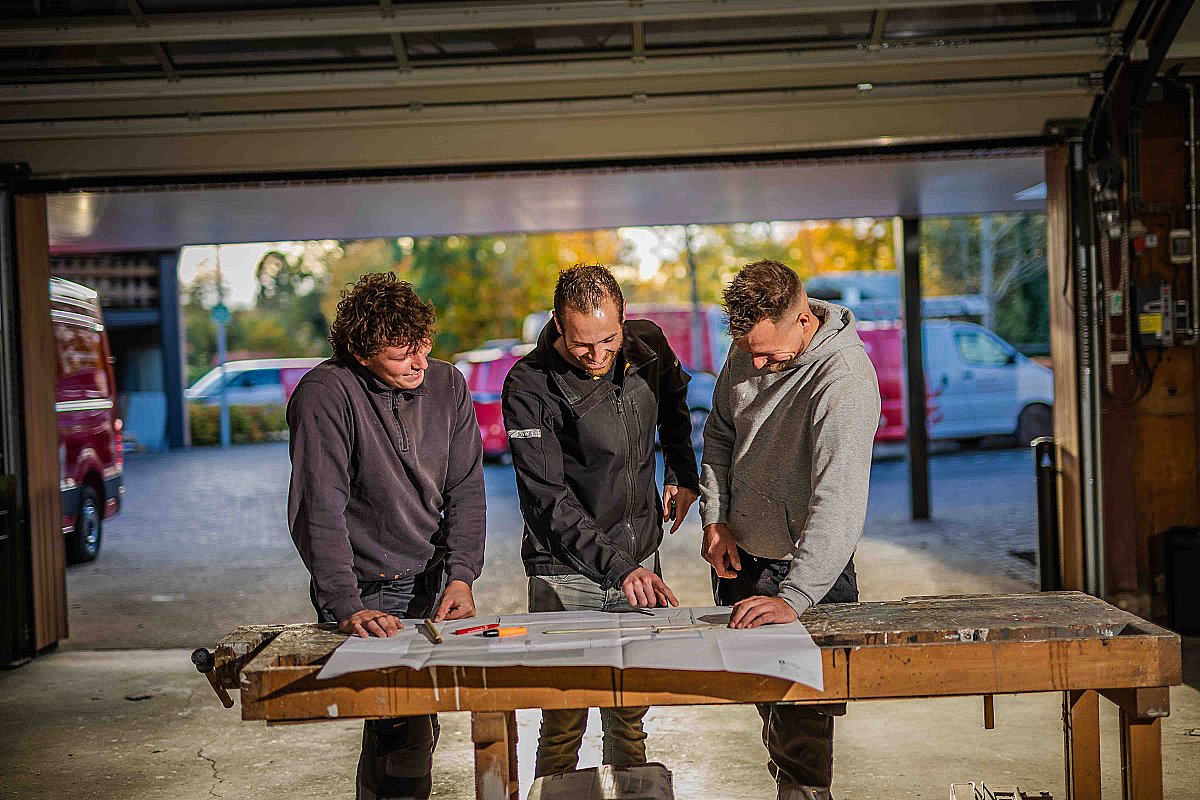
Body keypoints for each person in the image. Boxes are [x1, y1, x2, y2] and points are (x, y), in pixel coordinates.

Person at [286, 272, 486, 800]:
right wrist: (345, 604)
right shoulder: (326, 395)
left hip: (432, 580)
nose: (421, 362)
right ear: (361, 350)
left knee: (414, 724)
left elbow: (466, 487)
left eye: (423, 345)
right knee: (400, 731)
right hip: (368, 588)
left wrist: (462, 574)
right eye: (403, 354)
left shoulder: (447, 385)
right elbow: (317, 510)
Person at [502, 263, 700, 777]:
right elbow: (548, 502)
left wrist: (682, 468)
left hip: (639, 557)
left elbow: (675, 404)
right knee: (565, 716)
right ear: (557, 325)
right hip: (567, 572)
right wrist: (620, 570)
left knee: (629, 711)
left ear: (624, 318)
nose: (598, 357)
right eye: (582, 345)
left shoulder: (646, 345)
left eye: (609, 340)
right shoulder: (528, 385)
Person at [699, 260, 880, 800]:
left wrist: (796, 594)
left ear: (804, 321)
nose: (753, 364)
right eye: (746, 351)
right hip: (743, 559)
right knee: (768, 705)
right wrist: (717, 518)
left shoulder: (843, 380)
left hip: (806, 570)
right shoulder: (751, 344)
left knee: (803, 722)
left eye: (766, 354)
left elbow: (839, 501)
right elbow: (720, 434)